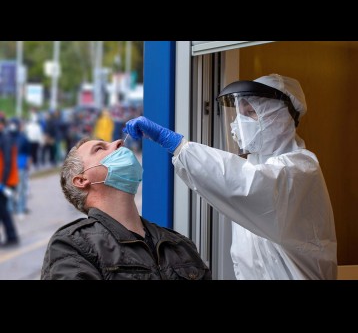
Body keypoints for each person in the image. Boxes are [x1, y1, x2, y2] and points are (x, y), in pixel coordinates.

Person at [123, 73, 337, 280]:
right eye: (240, 114)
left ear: (283, 115)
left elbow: (248, 183)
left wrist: (178, 145)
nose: (241, 123)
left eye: (252, 113)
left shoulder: (301, 167)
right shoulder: (253, 165)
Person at [41, 136, 211, 280]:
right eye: (100, 148)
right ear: (81, 180)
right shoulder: (72, 245)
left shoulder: (178, 244)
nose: (119, 142)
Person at [0, 113, 20, 247]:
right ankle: (11, 236)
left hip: (6, 181)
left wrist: (2, 182)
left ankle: (12, 237)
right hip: (4, 180)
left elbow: (7, 162)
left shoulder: (5, 139)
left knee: (3, 210)